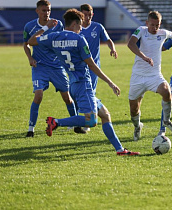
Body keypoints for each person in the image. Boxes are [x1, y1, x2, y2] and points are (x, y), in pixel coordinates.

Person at [28, 8, 139, 156]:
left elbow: (31, 41)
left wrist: (46, 28)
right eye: (80, 26)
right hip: (83, 84)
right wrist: (110, 83)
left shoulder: (53, 37)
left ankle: (120, 150)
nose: (81, 29)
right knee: (91, 121)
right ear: (74, 24)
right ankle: (56, 122)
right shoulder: (79, 39)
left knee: (105, 115)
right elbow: (92, 65)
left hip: (72, 84)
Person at [127, 11, 172, 141]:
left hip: (154, 75)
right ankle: (137, 126)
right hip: (138, 76)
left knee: (167, 91)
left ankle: (166, 121)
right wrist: (144, 57)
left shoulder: (162, 33)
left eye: (157, 25)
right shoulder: (141, 30)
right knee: (134, 109)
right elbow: (130, 44)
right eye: (152, 25)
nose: (155, 28)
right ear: (147, 23)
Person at [23, 0, 84, 137]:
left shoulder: (58, 25)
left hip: (57, 66)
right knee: (38, 95)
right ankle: (30, 129)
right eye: (44, 10)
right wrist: (30, 58)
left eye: (49, 10)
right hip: (40, 67)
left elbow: (64, 40)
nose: (47, 13)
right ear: (37, 11)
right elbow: (27, 44)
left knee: (67, 98)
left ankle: (76, 125)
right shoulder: (30, 26)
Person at [79, 3, 118, 132]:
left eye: (90, 15)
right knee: (79, 93)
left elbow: (108, 39)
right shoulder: (77, 29)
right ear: (81, 15)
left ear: (92, 14)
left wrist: (112, 48)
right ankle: (80, 119)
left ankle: (85, 122)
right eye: (85, 15)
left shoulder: (97, 27)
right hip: (79, 66)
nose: (88, 17)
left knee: (90, 92)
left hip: (94, 67)